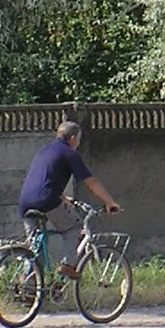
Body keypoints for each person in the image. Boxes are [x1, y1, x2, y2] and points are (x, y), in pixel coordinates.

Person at [17, 119, 121, 278]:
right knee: (74, 228)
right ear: (72, 138)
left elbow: (44, 180)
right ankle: (67, 264)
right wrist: (109, 202)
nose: (78, 143)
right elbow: (91, 182)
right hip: (46, 200)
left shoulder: (44, 150)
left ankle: (30, 292)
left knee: (35, 246)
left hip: (25, 201)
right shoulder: (70, 153)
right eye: (79, 139)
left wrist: (63, 197)